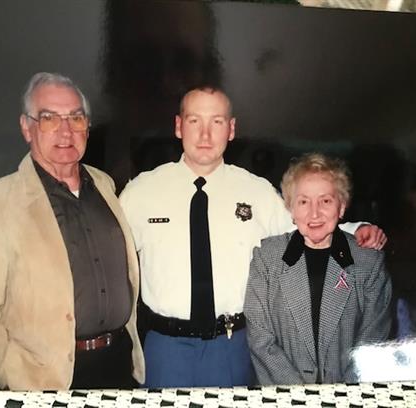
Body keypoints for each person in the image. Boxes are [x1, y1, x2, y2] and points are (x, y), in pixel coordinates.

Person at [119, 86, 386, 388]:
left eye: (217, 122)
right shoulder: (141, 193)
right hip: (166, 349)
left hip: (232, 347)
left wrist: (357, 230)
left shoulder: (256, 192)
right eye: (195, 121)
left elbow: (304, 226)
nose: (205, 134)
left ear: (231, 129)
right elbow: (110, 255)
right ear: (179, 126)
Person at [0, 72, 144, 390]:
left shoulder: (104, 184)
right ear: (26, 127)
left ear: (87, 126)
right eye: (49, 118)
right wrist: (11, 373)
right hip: (47, 380)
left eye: (75, 117)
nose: (65, 130)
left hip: (119, 367)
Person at [244, 153, 392, 385]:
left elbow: (373, 344)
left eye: (325, 201)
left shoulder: (368, 264)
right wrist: (300, 395)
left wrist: (341, 396)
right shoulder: (266, 259)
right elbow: (261, 341)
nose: (314, 213)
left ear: (341, 207)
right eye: (303, 202)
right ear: (291, 208)